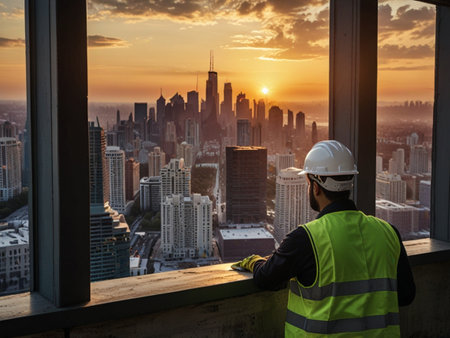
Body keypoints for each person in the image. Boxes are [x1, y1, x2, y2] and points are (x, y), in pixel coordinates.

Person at [232, 140, 415, 337]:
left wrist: (255, 262)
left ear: (316, 187)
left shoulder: (306, 239)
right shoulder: (388, 233)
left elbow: (266, 278)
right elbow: (405, 295)